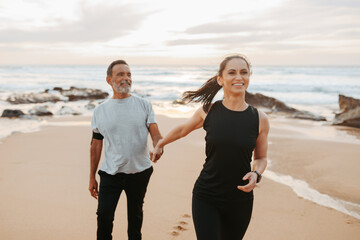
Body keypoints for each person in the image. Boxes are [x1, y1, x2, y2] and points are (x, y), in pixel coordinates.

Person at [151, 54, 269, 240]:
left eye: (244, 72)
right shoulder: (208, 111)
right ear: (220, 79)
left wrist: (257, 174)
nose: (239, 77)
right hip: (207, 195)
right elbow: (182, 130)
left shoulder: (259, 119)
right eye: (232, 72)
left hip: (240, 199)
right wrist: (160, 144)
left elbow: (261, 158)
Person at [89, 59, 163, 240]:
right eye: (120, 74)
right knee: (104, 216)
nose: (126, 78)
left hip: (140, 172)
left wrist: (158, 147)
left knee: (135, 218)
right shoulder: (100, 111)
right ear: (109, 80)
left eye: (129, 74)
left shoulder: (144, 105)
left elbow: (156, 135)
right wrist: (92, 176)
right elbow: (96, 144)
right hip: (110, 173)